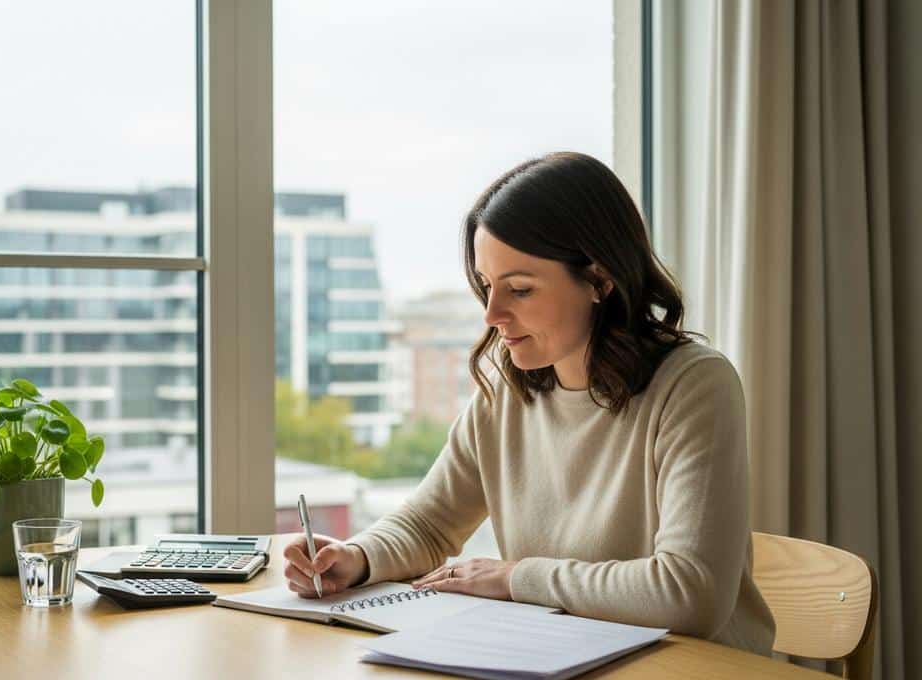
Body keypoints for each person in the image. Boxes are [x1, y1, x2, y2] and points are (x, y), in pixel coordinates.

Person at [282, 151, 776, 655]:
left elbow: (689, 594)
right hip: (563, 659)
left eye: (519, 289)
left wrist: (515, 578)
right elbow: (429, 525)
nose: (493, 314)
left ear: (600, 280)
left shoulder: (693, 385)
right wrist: (356, 557)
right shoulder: (506, 390)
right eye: (487, 286)